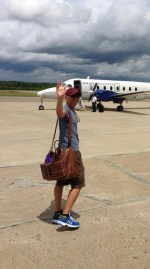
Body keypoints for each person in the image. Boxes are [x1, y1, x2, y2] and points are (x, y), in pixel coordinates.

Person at [52, 81, 85, 228]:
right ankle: (65, 216)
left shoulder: (72, 109)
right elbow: (60, 113)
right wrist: (59, 98)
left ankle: (57, 212)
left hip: (62, 152)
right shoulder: (66, 109)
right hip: (71, 154)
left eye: (77, 96)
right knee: (78, 183)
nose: (75, 99)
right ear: (66, 97)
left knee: (60, 182)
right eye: (72, 97)